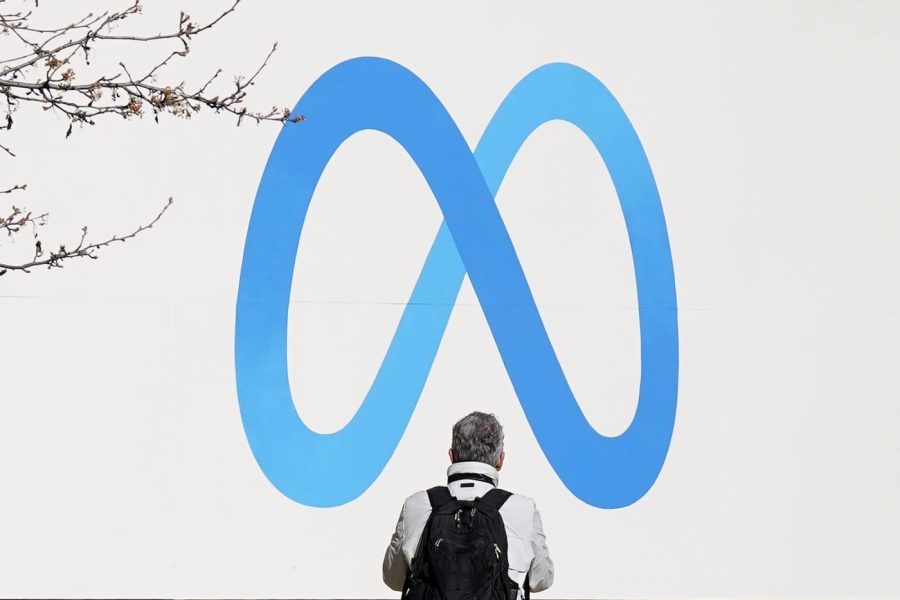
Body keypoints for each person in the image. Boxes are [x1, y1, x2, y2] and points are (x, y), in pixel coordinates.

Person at [383, 411, 554, 599]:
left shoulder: (416, 504)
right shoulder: (522, 508)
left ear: (452, 455)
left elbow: (393, 578)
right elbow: (542, 579)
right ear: (500, 460)